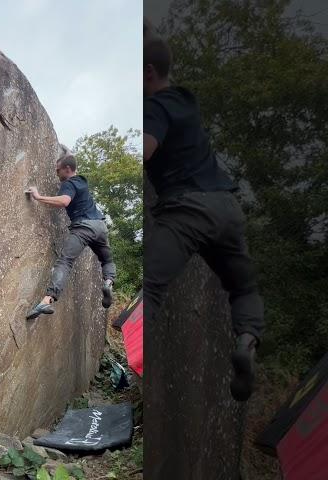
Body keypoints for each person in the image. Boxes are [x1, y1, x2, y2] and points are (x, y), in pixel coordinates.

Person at [143, 31, 265, 401]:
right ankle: (246, 341)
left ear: (148, 73)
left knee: (149, 286)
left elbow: (145, 150)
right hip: (226, 209)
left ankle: (134, 371)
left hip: (187, 211)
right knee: (244, 288)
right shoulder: (186, 102)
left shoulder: (155, 106)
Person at [25, 148, 115, 320]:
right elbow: (72, 163)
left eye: (58, 170)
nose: (56, 173)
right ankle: (108, 282)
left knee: (65, 261)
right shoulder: (81, 181)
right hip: (101, 227)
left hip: (83, 228)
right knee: (107, 260)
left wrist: (38, 196)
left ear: (67, 169)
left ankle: (47, 300)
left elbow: (64, 201)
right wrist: (67, 151)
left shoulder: (68, 183)